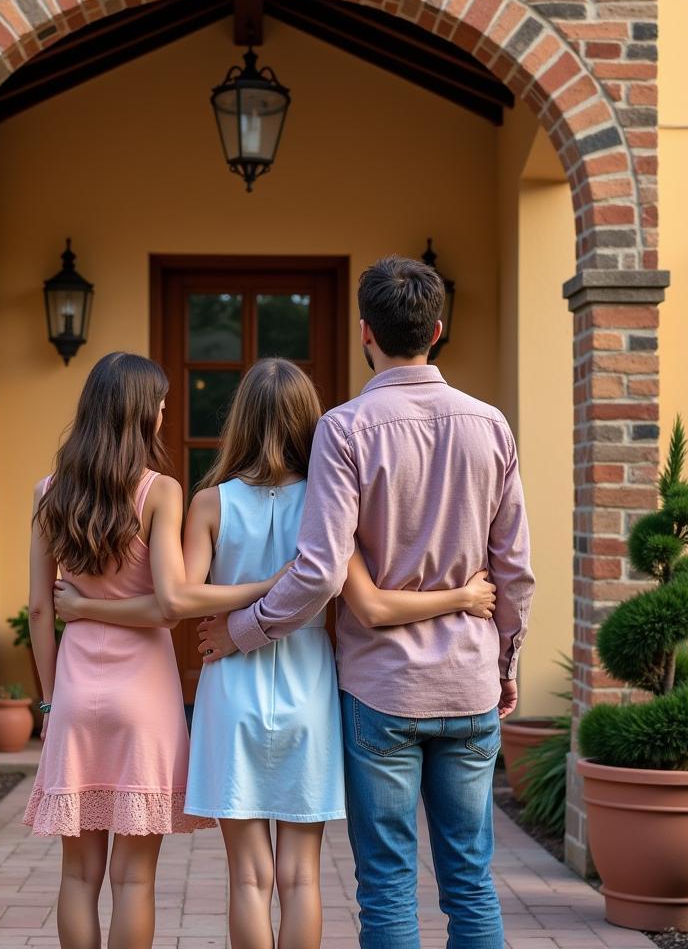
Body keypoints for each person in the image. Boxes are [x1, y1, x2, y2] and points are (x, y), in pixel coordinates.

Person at [57, 357, 499, 949]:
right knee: (300, 877)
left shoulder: (210, 502)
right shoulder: (331, 503)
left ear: (239, 420)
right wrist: (463, 595)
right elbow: (361, 597)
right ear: (307, 422)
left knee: (248, 878)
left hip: (230, 687)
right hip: (308, 688)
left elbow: (180, 598)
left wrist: (237, 610)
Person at [199, 256, 536, 949]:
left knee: (386, 883)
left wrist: (245, 631)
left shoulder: (346, 429)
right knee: (471, 879)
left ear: (364, 333)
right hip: (469, 684)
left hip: (382, 689)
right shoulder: (491, 426)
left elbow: (320, 572)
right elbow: (517, 572)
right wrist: (505, 662)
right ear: (437, 330)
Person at [25, 351, 287, 949]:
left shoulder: (49, 492)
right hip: (143, 696)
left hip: (73, 692)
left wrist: (48, 699)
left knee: (78, 875)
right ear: (142, 414)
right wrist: (269, 585)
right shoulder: (159, 491)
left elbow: (42, 608)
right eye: (162, 404)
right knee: (134, 879)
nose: (167, 413)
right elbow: (172, 604)